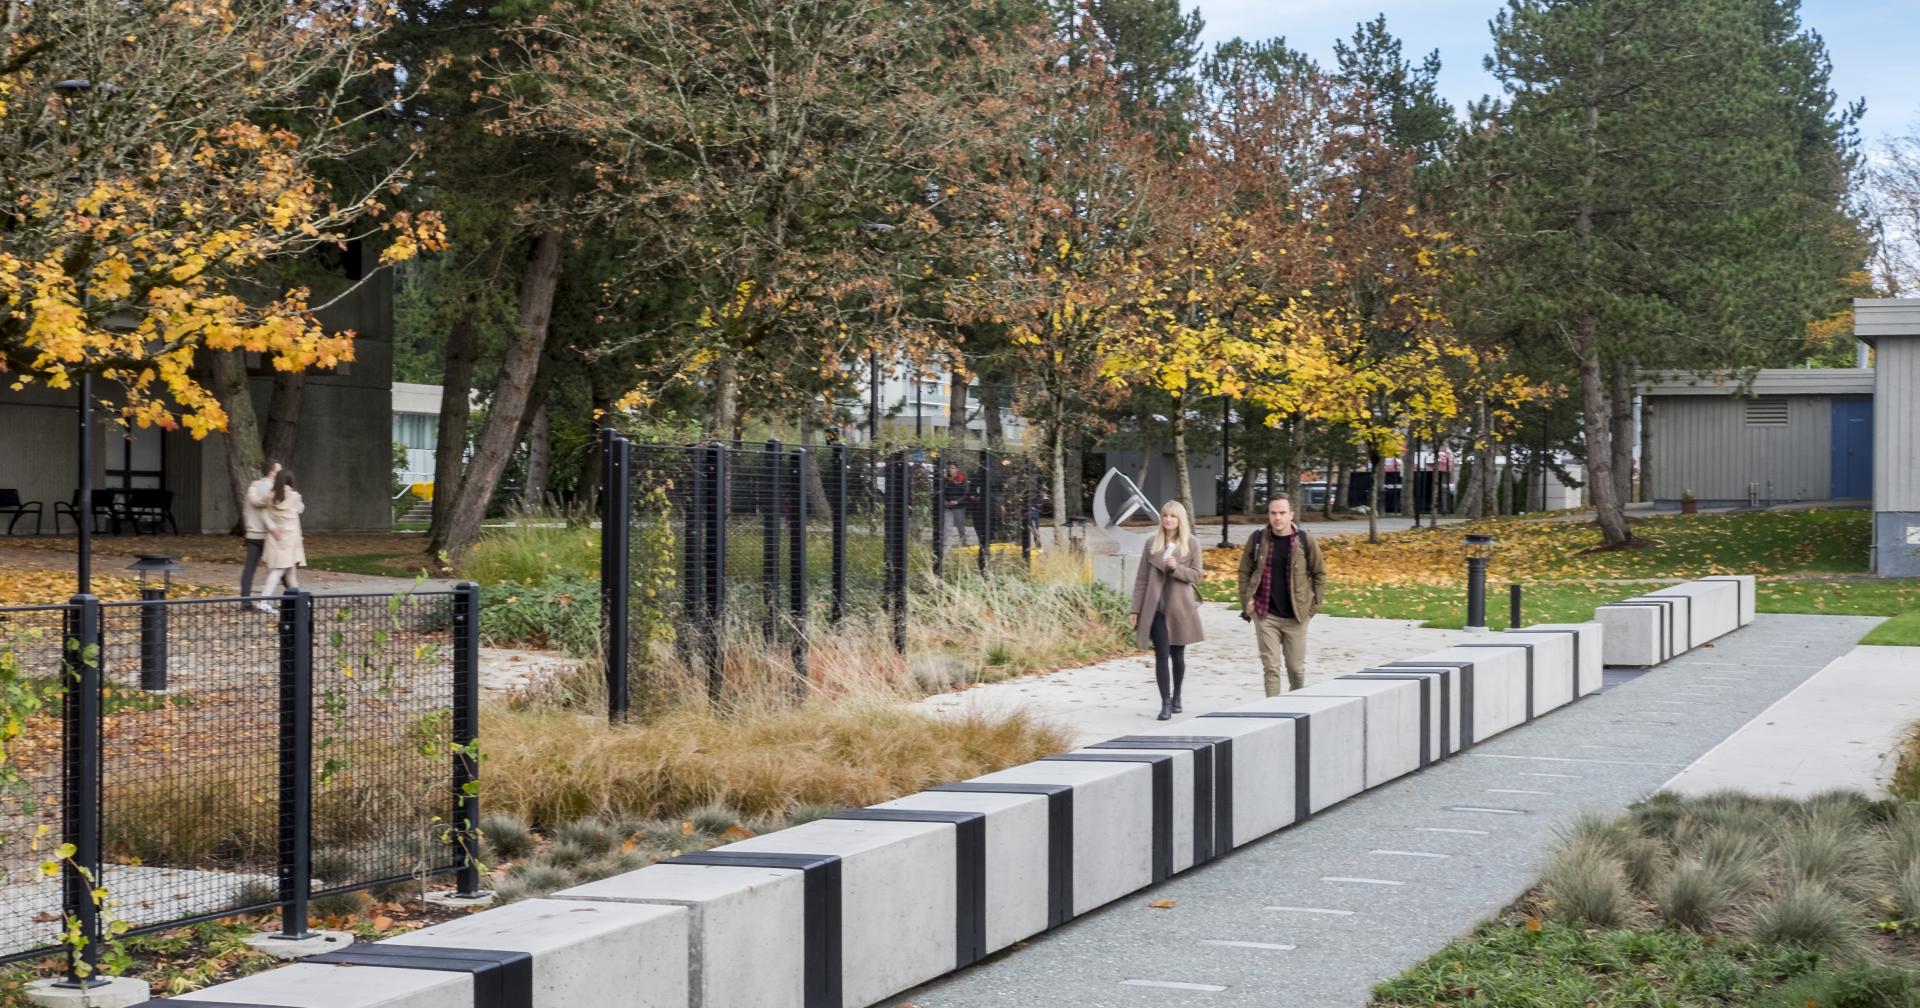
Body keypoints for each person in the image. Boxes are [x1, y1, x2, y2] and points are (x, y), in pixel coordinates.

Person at [1237, 496, 1326, 695]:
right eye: (1273, 513)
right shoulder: (1258, 539)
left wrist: (1314, 606)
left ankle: (1296, 705)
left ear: (1291, 515)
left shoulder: (1304, 540)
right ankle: (1274, 715)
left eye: (1282, 513)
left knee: (1296, 670)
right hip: (1265, 614)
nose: (1277, 518)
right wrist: (1246, 601)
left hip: (1297, 616)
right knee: (1271, 668)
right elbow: (1244, 571)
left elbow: (1319, 573)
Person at [1129, 500, 1205, 721]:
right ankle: (1166, 702)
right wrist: (1136, 608)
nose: (1168, 519)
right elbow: (1142, 578)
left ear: (1180, 519)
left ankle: (1178, 695)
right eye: (1165, 516)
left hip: (1179, 608)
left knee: (1177, 655)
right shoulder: (1152, 543)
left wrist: (1176, 568)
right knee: (1161, 654)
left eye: (1173, 516)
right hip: (1156, 609)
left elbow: (1197, 575)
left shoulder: (1192, 543)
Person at [253, 469, 306, 612]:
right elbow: (301, 509)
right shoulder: (294, 496)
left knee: (290, 571)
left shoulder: (270, 496)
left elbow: (259, 504)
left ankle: (299, 599)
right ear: (291, 482)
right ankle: (263, 600)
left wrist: (253, 489)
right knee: (278, 571)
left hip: (276, 538)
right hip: (289, 539)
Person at [240, 457, 280, 597]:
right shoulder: (273, 489)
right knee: (281, 567)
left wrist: (248, 527)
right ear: (271, 472)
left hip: (252, 533)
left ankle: (245, 601)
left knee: (249, 569)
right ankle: (296, 600)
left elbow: (246, 510)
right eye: (278, 471)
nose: (280, 473)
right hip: (268, 533)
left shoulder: (253, 488)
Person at [938, 463, 973, 552]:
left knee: (960, 528)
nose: (951, 470)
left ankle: (964, 547)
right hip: (948, 507)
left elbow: (966, 494)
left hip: (959, 507)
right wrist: (944, 501)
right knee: (947, 527)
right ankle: (946, 549)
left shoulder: (962, 479)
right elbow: (942, 492)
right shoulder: (945, 479)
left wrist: (957, 501)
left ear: (957, 469)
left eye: (953, 468)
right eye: (949, 468)